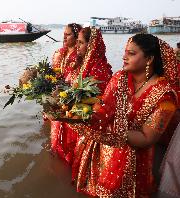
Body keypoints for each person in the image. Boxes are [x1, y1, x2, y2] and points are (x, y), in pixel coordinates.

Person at [69, 34, 178, 197]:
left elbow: (147, 138)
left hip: (134, 159)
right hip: (106, 149)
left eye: (132, 54)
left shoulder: (165, 97)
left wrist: (111, 131)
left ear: (149, 59)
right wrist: (83, 113)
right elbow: (103, 107)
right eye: (125, 52)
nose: (124, 57)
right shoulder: (119, 78)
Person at [50, 27, 112, 165]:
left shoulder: (100, 68)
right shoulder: (80, 63)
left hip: (85, 122)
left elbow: (100, 101)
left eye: (81, 43)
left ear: (91, 46)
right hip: (72, 117)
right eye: (77, 42)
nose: (77, 46)